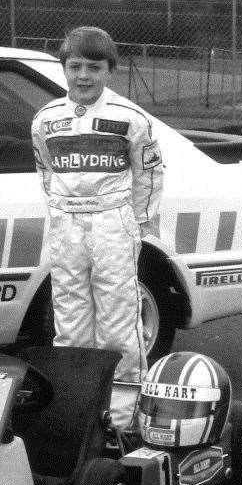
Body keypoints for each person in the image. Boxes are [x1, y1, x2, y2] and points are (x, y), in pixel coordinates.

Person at [30, 26, 164, 425]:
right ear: (64, 69)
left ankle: (122, 420)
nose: (83, 76)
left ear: (110, 70)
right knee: (69, 321)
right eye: (75, 67)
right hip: (66, 223)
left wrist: (139, 223)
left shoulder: (130, 118)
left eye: (94, 67)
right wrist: (60, 213)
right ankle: (75, 412)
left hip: (113, 222)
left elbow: (150, 175)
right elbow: (45, 171)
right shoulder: (46, 119)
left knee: (118, 322)